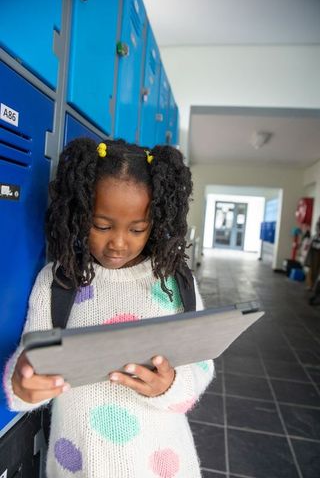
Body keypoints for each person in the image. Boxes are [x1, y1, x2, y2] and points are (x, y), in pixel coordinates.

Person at [3, 138, 214, 477]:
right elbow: (33, 358)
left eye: (137, 229)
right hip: (79, 464)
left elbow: (203, 366)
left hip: (163, 465)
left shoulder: (174, 283)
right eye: (101, 225)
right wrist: (23, 384)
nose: (118, 242)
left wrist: (171, 384)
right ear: (80, 213)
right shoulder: (58, 283)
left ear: (155, 223)